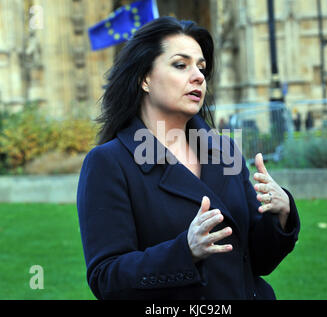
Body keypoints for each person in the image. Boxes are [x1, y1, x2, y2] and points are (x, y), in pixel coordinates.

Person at [77, 16, 300, 300]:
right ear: (144, 79)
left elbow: (258, 260)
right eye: (181, 65)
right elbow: (106, 278)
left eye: (201, 67)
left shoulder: (225, 151)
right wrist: (185, 251)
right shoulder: (109, 163)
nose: (198, 76)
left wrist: (281, 214)